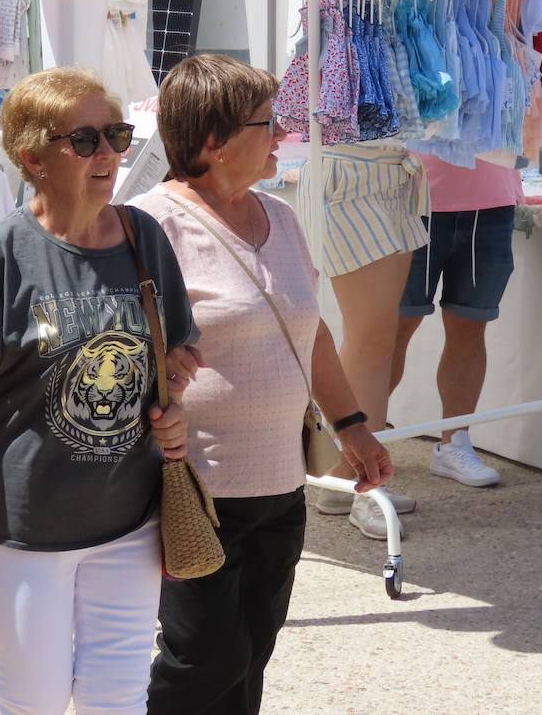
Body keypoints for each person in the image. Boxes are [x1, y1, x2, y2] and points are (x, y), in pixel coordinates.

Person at [0, 67, 201, 715]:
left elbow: (174, 356)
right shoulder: (0, 258)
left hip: (129, 520)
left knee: (117, 699)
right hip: (21, 528)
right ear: (33, 158)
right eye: (86, 139)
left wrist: (173, 405)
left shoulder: (141, 238)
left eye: (117, 135)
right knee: (33, 701)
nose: (109, 154)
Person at [132, 54, 393, 715]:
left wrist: (353, 425)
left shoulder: (282, 216)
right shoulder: (149, 225)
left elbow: (313, 333)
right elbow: (110, 351)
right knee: (204, 657)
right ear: (214, 141)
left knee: (251, 650)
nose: (282, 134)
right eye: (268, 122)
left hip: (279, 486)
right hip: (193, 489)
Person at [296, 0, 429, 539]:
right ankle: (357, 485)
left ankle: (339, 474)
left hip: (375, 171)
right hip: (359, 174)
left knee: (365, 335)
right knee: (370, 337)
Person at [389, 0, 521, 487]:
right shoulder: (400, 1)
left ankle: (455, 441)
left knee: (470, 324)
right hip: (416, 196)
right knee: (392, 329)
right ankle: (362, 447)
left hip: (490, 193)